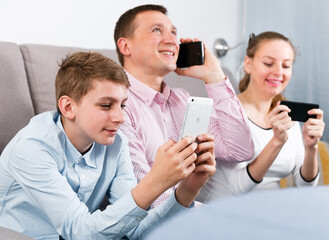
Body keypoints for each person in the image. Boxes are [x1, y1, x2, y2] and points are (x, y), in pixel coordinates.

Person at [0, 52, 216, 239]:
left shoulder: (116, 143)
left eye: (122, 105)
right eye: (106, 105)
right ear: (68, 107)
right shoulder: (31, 148)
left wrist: (188, 189)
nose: (120, 117)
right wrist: (156, 181)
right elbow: (80, 232)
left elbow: (136, 231)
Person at [114, 4, 254, 207]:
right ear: (126, 46)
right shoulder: (116, 105)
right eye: (156, 30)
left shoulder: (181, 101)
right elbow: (144, 202)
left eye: (173, 32)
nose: (172, 40)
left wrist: (214, 76)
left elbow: (240, 149)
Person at [198, 31, 325, 202]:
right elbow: (238, 186)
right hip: (226, 211)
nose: (279, 72)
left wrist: (311, 147)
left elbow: (305, 185)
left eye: (286, 66)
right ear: (248, 64)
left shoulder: (287, 116)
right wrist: (276, 142)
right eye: (268, 63)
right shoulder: (225, 112)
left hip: (269, 211)